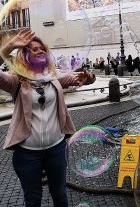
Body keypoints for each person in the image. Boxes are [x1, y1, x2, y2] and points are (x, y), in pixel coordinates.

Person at [0, 29, 95, 207]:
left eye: (42, 48)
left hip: (56, 149)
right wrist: (11, 45)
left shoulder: (54, 78)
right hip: (27, 153)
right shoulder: (16, 82)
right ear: (25, 56)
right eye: (34, 49)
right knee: (33, 198)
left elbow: (80, 79)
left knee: (60, 194)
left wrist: (88, 78)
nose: (40, 51)